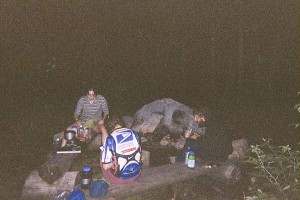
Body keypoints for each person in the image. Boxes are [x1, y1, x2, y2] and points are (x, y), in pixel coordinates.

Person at [100, 116, 142, 184]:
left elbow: (105, 167)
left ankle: (105, 177)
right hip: (136, 174)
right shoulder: (135, 134)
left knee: (102, 150)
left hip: (119, 179)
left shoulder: (110, 139)